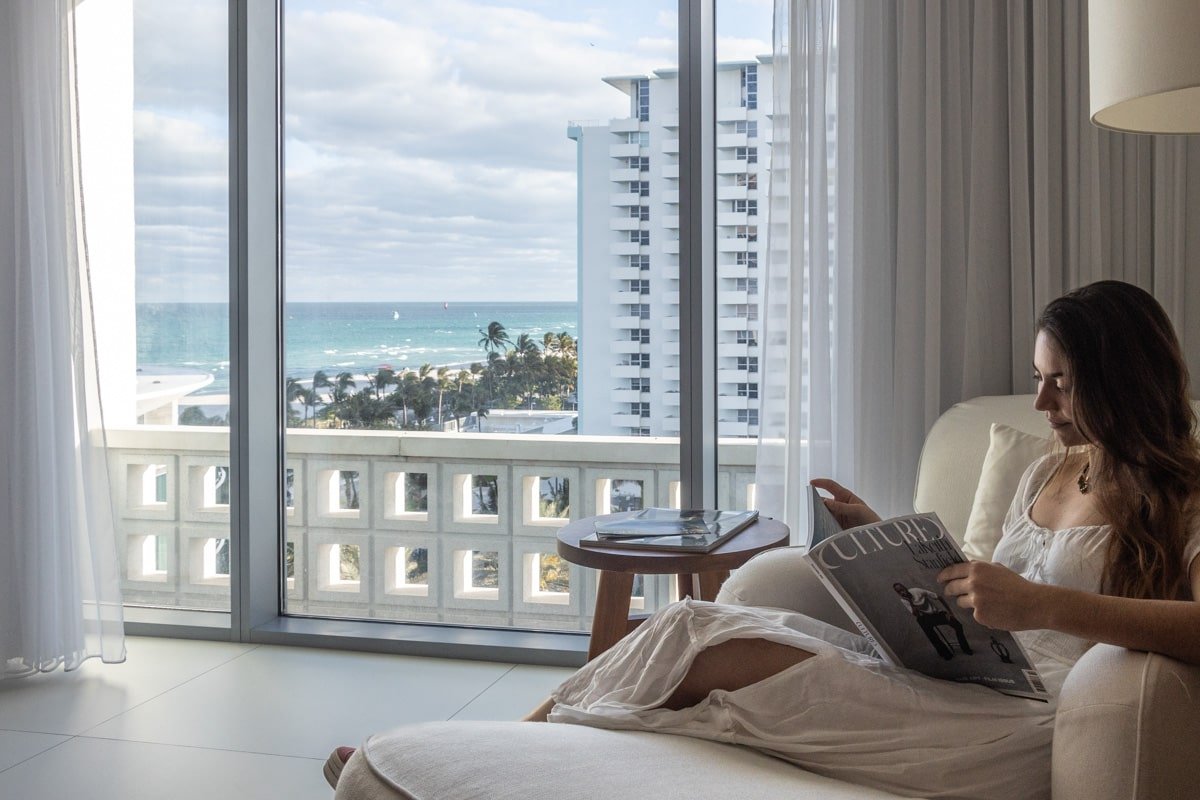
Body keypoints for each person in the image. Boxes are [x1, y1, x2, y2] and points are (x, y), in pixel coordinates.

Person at [324, 281, 1200, 798]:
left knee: (712, 651)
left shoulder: (1187, 493)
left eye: (1061, 383)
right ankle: (501, 756)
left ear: (1123, 379)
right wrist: (888, 540)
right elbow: (989, 589)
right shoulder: (1050, 468)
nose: (1041, 402)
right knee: (685, 623)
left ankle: (470, 767)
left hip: (1035, 722)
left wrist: (1042, 605)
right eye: (1039, 379)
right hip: (967, 677)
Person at [892, 582, 972, 659]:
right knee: (923, 625)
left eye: (902, 589)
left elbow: (939, 597)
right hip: (925, 617)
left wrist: (950, 613)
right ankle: (945, 653)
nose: (902, 592)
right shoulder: (904, 600)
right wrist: (910, 601)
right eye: (899, 591)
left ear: (905, 587)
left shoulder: (916, 590)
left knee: (958, 626)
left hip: (936, 613)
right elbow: (915, 614)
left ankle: (965, 648)